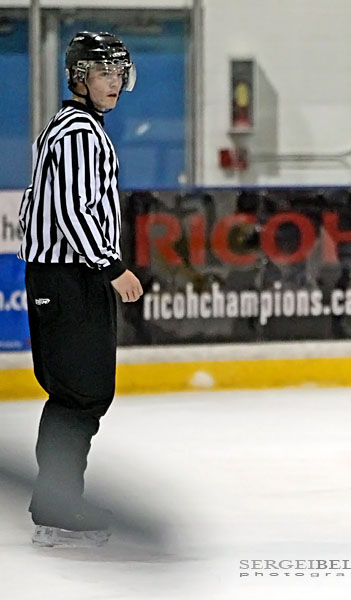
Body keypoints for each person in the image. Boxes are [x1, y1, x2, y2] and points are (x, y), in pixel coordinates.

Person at [17, 31, 143, 548]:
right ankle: (58, 502)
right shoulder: (77, 134)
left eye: (118, 72)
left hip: (64, 277)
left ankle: (57, 497)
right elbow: (71, 209)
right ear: (78, 78)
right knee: (80, 392)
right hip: (71, 277)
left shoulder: (73, 128)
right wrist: (112, 266)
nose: (113, 82)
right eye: (102, 72)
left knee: (78, 392)